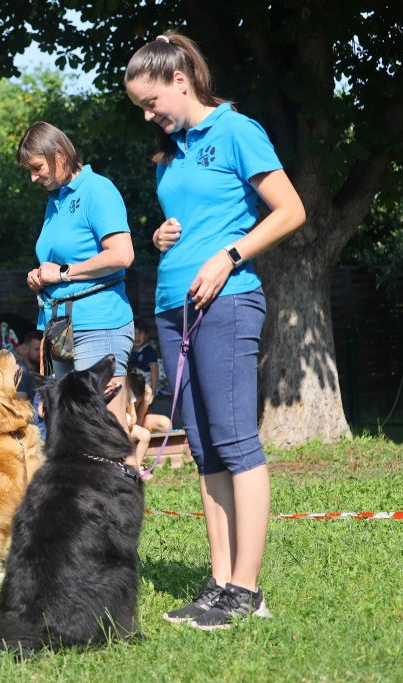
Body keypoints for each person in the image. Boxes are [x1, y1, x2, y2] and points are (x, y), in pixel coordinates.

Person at [125, 31, 306, 629]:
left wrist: (228, 256)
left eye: (153, 103)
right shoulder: (174, 151)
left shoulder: (236, 131)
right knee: (203, 449)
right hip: (174, 306)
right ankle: (220, 581)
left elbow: (290, 210)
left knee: (234, 441)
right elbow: (195, 215)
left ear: (182, 80)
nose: (150, 116)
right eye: (142, 109)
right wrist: (162, 237)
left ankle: (248, 591)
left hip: (227, 304)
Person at [19, 121, 136, 431]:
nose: (33, 177)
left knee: (104, 432)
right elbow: (57, 264)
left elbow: (122, 255)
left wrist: (64, 273)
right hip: (61, 330)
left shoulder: (97, 189)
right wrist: (41, 277)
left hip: (99, 323)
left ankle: (123, 481)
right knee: (72, 432)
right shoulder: (55, 201)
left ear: (58, 154)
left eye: (36, 167)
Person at [125, 372, 172, 478]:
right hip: (124, 427)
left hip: (134, 425)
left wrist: (145, 402)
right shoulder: (123, 391)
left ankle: (137, 466)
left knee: (160, 425)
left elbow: (136, 419)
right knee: (143, 434)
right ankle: (135, 467)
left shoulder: (135, 394)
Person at [129, 320, 161, 393]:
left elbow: (154, 370)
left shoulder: (149, 351)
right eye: (134, 333)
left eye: (140, 333)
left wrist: (153, 391)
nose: (137, 337)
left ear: (146, 336)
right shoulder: (129, 351)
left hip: (146, 384)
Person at [15, 330, 44, 399]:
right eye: (37, 349)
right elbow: (22, 405)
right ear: (26, 348)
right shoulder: (20, 372)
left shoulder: (43, 369)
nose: (41, 353)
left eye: (43, 349)